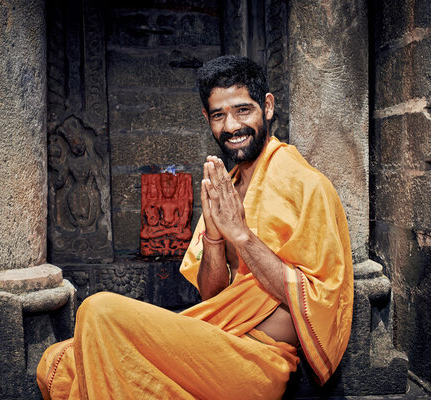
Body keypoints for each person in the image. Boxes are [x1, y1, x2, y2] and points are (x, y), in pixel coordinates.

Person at [37, 55, 354, 400]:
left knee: (98, 313)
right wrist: (216, 237)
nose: (231, 126)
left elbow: (320, 300)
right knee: (59, 365)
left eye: (243, 110)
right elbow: (212, 296)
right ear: (207, 118)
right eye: (219, 115)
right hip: (212, 337)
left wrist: (243, 236)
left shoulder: (306, 185)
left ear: (267, 106)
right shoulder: (225, 187)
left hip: (256, 358)